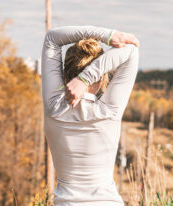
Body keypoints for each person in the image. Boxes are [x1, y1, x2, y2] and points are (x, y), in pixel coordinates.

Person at [41, 25, 139, 206]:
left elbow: (52, 39)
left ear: (64, 73)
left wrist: (108, 36)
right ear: (102, 77)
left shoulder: (53, 107)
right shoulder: (108, 111)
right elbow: (131, 51)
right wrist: (85, 78)